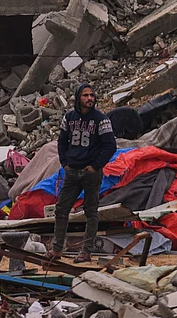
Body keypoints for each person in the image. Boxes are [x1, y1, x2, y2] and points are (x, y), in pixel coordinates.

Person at [50, 83, 117, 263]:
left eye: (92, 95)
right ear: (78, 97)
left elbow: (110, 146)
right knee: (62, 209)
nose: (89, 99)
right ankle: (57, 249)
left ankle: (86, 251)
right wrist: (65, 163)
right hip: (72, 171)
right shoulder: (69, 117)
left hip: (91, 173)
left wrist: (95, 166)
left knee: (91, 211)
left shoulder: (101, 120)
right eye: (86, 95)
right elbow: (62, 142)